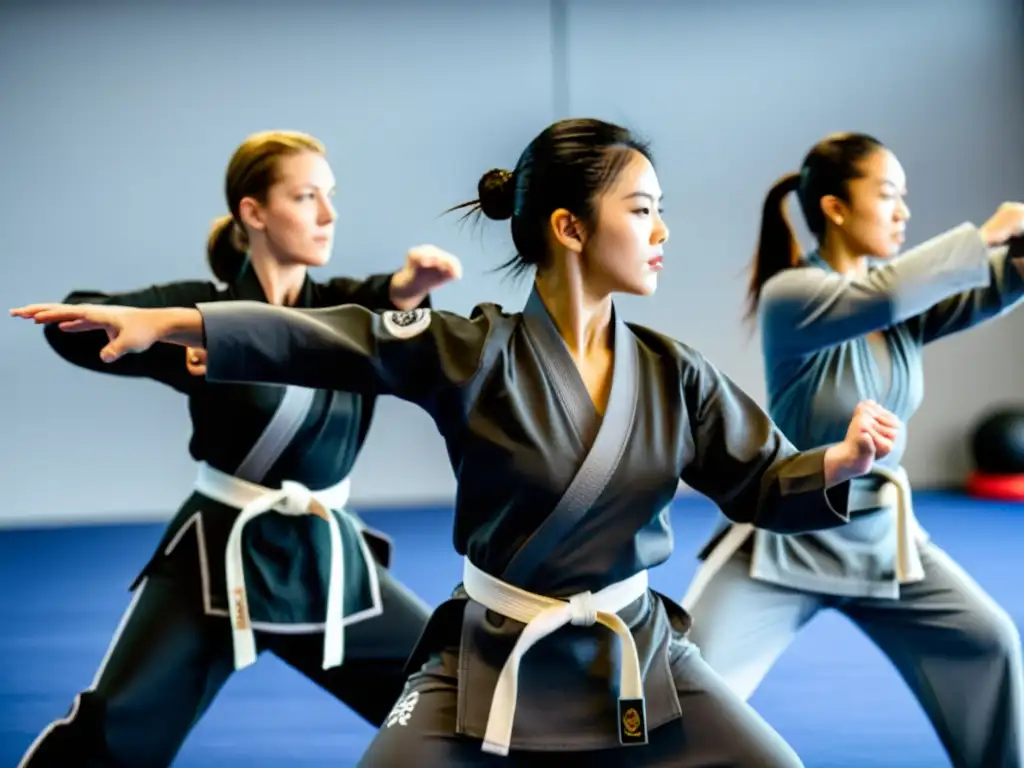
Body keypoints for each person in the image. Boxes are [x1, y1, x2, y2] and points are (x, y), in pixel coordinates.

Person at [13, 118, 905, 767]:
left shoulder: (678, 372)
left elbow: (759, 481)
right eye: (642, 209)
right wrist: (170, 320)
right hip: (489, 651)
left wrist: (840, 463)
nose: (663, 231)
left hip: (637, 653)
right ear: (569, 227)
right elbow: (325, 337)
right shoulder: (471, 350)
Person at [14, 130, 461, 767]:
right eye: (307, 197)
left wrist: (411, 287)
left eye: (330, 197)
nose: (329, 216)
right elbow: (78, 324)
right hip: (214, 560)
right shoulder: (199, 316)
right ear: (254, 213)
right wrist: (157, 335)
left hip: (326, 563)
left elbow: (389, 313)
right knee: (110, 741)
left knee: (457, 700)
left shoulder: (345, 308)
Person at [680, 132, 1024, 768]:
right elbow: (880, 294)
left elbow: (980, 290)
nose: (903, 212)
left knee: (990, 643)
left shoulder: (903, 308)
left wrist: (1018, 258)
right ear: (835, 208)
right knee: (684, 688)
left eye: (904, 198)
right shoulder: (793, 295)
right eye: (888, 195)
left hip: (882, 543)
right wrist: (989, 232)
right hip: (784, 541)